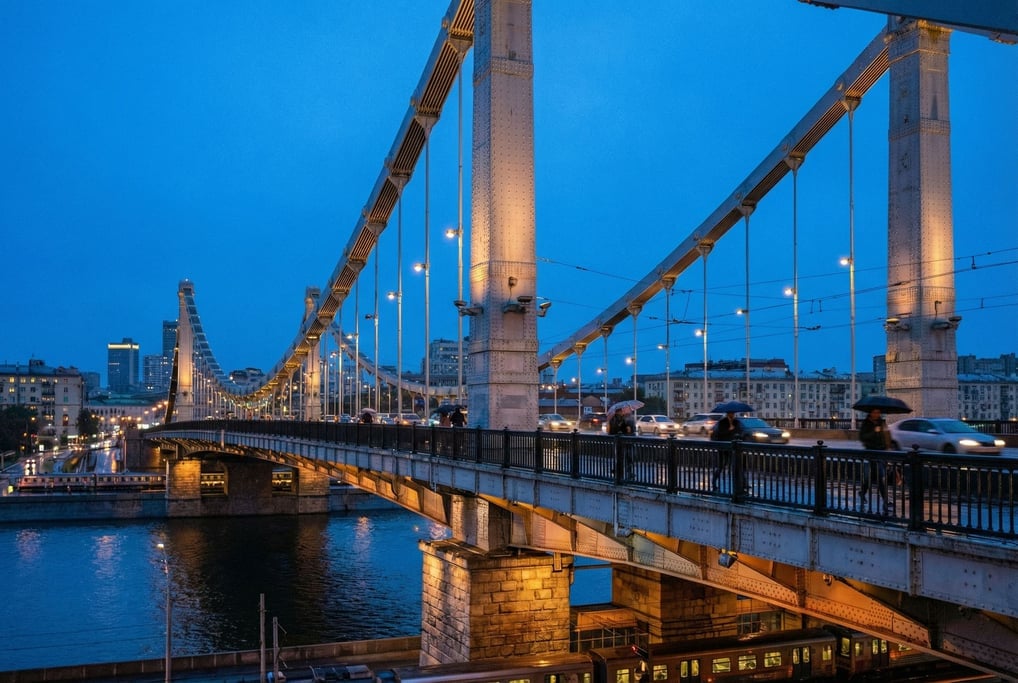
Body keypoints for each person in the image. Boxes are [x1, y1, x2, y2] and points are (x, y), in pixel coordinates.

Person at [858, 408, 889, 510]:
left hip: (880, 452)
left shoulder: (881, 422)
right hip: (870, 453)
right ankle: (863, 493)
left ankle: (884, 500)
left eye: (878, 412)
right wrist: (874, 432)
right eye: (875, 412)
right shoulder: (866, 423)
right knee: (873, 477)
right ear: (871, 413)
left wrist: (886, 445)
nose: (877, 414)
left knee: (880, 477)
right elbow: (862, 437)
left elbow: (885, 435)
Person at [710, 411, 745, 492]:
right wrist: (729, 430)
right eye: (730, 413)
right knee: (721, 466)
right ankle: (714, 483)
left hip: (734, 447)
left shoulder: (736, 422)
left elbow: (739, 432)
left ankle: (743, 484)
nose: (732, 415)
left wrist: (738, 435)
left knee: (737, 466)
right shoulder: (722, 422)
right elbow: (720, 433)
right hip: (723, 447)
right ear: (727, 414)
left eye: (733, 413)